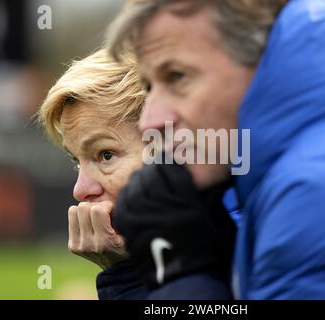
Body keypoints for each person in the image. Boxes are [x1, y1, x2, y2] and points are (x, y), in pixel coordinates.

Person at [108, 0, 325, 299]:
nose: (150, 121)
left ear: (262, 60)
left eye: (177, 76)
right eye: (150, 87)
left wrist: (180, 275)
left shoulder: (321, 194)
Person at [37, 48, 241, 299]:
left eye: (105, 155)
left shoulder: (249, 243)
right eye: (77, 161)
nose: (80, 190)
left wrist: (127, 275)